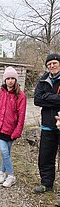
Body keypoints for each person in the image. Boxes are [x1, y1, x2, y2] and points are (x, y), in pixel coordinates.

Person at [0, 67, 27, 188]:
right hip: (0, 127)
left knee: (7, 153)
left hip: (11, 129)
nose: (10, 81)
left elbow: (21, 116)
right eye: (8, 78)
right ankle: (11, 175)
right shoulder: (0, 92)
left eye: (12, 78)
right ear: (4, 80)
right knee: (4, 151)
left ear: (16, 80)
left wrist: (17, 131)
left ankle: (2, 172)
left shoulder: (21, 96)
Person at [34, 53, 60, 194]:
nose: (52, 66)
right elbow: (37, 100)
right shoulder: (43, 80)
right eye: (49, 64)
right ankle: (46, 184)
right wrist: (56, 98)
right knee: (45, 156)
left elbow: (43, 98)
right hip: (47, 125)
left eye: (54, 63)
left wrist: (47, 97)